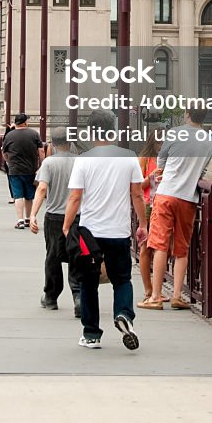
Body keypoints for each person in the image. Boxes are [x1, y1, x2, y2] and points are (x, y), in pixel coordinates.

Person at [63, 111, 148, 351]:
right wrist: (143, 224)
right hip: (119, 231)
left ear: (90, 131)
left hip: (90, 233)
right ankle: (123, 314)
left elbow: (75, 197)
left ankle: (91, 334)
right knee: (122, 279)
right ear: (113, 130)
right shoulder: (129, 157)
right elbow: (137, 194)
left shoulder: (84, 159)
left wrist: (67, 225)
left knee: (88, 282)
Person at [139, 101, 212, 311]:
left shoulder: (174, 133)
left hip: (166, 194)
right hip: (188, 197)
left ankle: (155, 296)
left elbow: (161, 163)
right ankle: (177, 295)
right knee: (182, 247)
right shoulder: (209, 142)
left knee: (160, 244)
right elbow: (201, 172)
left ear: (187, 114)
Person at [29, 127, 81, 316]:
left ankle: (51, 296)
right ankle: (79, 296)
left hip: (54, 217)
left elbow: (42, 188)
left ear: (52, 143)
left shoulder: (49, 163)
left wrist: (33, 214)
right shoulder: (80, 161)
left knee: (53, 257)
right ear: (70, 143)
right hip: (77, 216)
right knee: (77, 256)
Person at [2, 113, 44, 228]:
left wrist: (9, 161)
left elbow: (4, 152)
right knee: (29, 195)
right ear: (25, 122)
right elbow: (41, 151)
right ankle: (28, 218)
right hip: (31, 169)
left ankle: (20, 220)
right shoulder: (34, 134)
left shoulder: (9, 136)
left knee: (18, 195)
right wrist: (41, 165)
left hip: (14, 169)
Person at [137, 130, 162, 302]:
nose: (162, 147)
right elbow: (137, 187)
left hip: (162, 204)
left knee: (161, 247)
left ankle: (156, 290)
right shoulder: (145, 160)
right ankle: (148, 289)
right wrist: (151, 177)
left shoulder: (167, 160)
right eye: (160, 143)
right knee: (145, 247)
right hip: (147, 205)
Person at [1, 122, 16, 204]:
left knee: (11, 179)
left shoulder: (7, 137)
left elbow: (3, 150)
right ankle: (16, 196)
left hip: (9, 161)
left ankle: (13, 196)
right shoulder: (18, 135)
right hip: (15, 161)